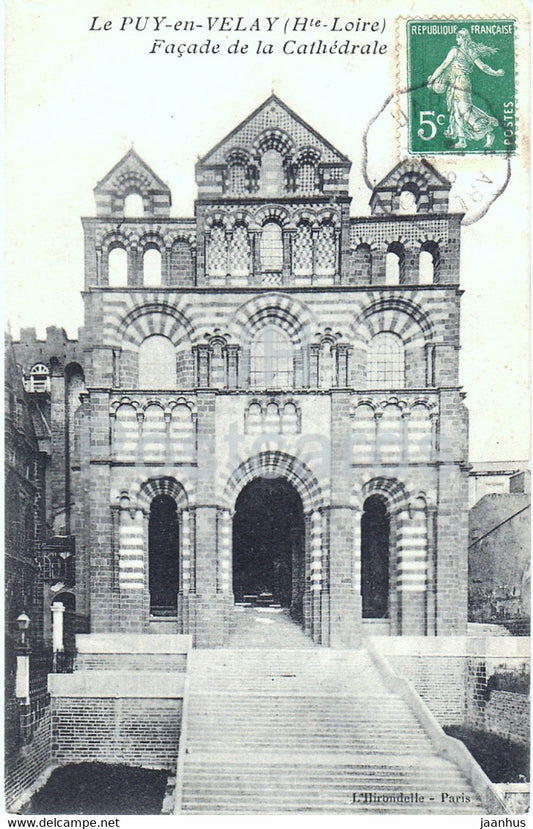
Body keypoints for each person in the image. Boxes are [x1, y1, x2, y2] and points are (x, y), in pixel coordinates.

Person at [427, 28, 504, 149]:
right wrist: (495, 73)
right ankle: (462, 140)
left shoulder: (456, 51)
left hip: (461, 82)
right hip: (455, 82)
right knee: (456, 111)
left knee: (464, 109)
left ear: (463, 38)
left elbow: (443, 65)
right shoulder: (469, 51)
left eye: (458, 37)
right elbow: (483, 67)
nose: (456, 39)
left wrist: (432, 80)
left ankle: (487, 131)